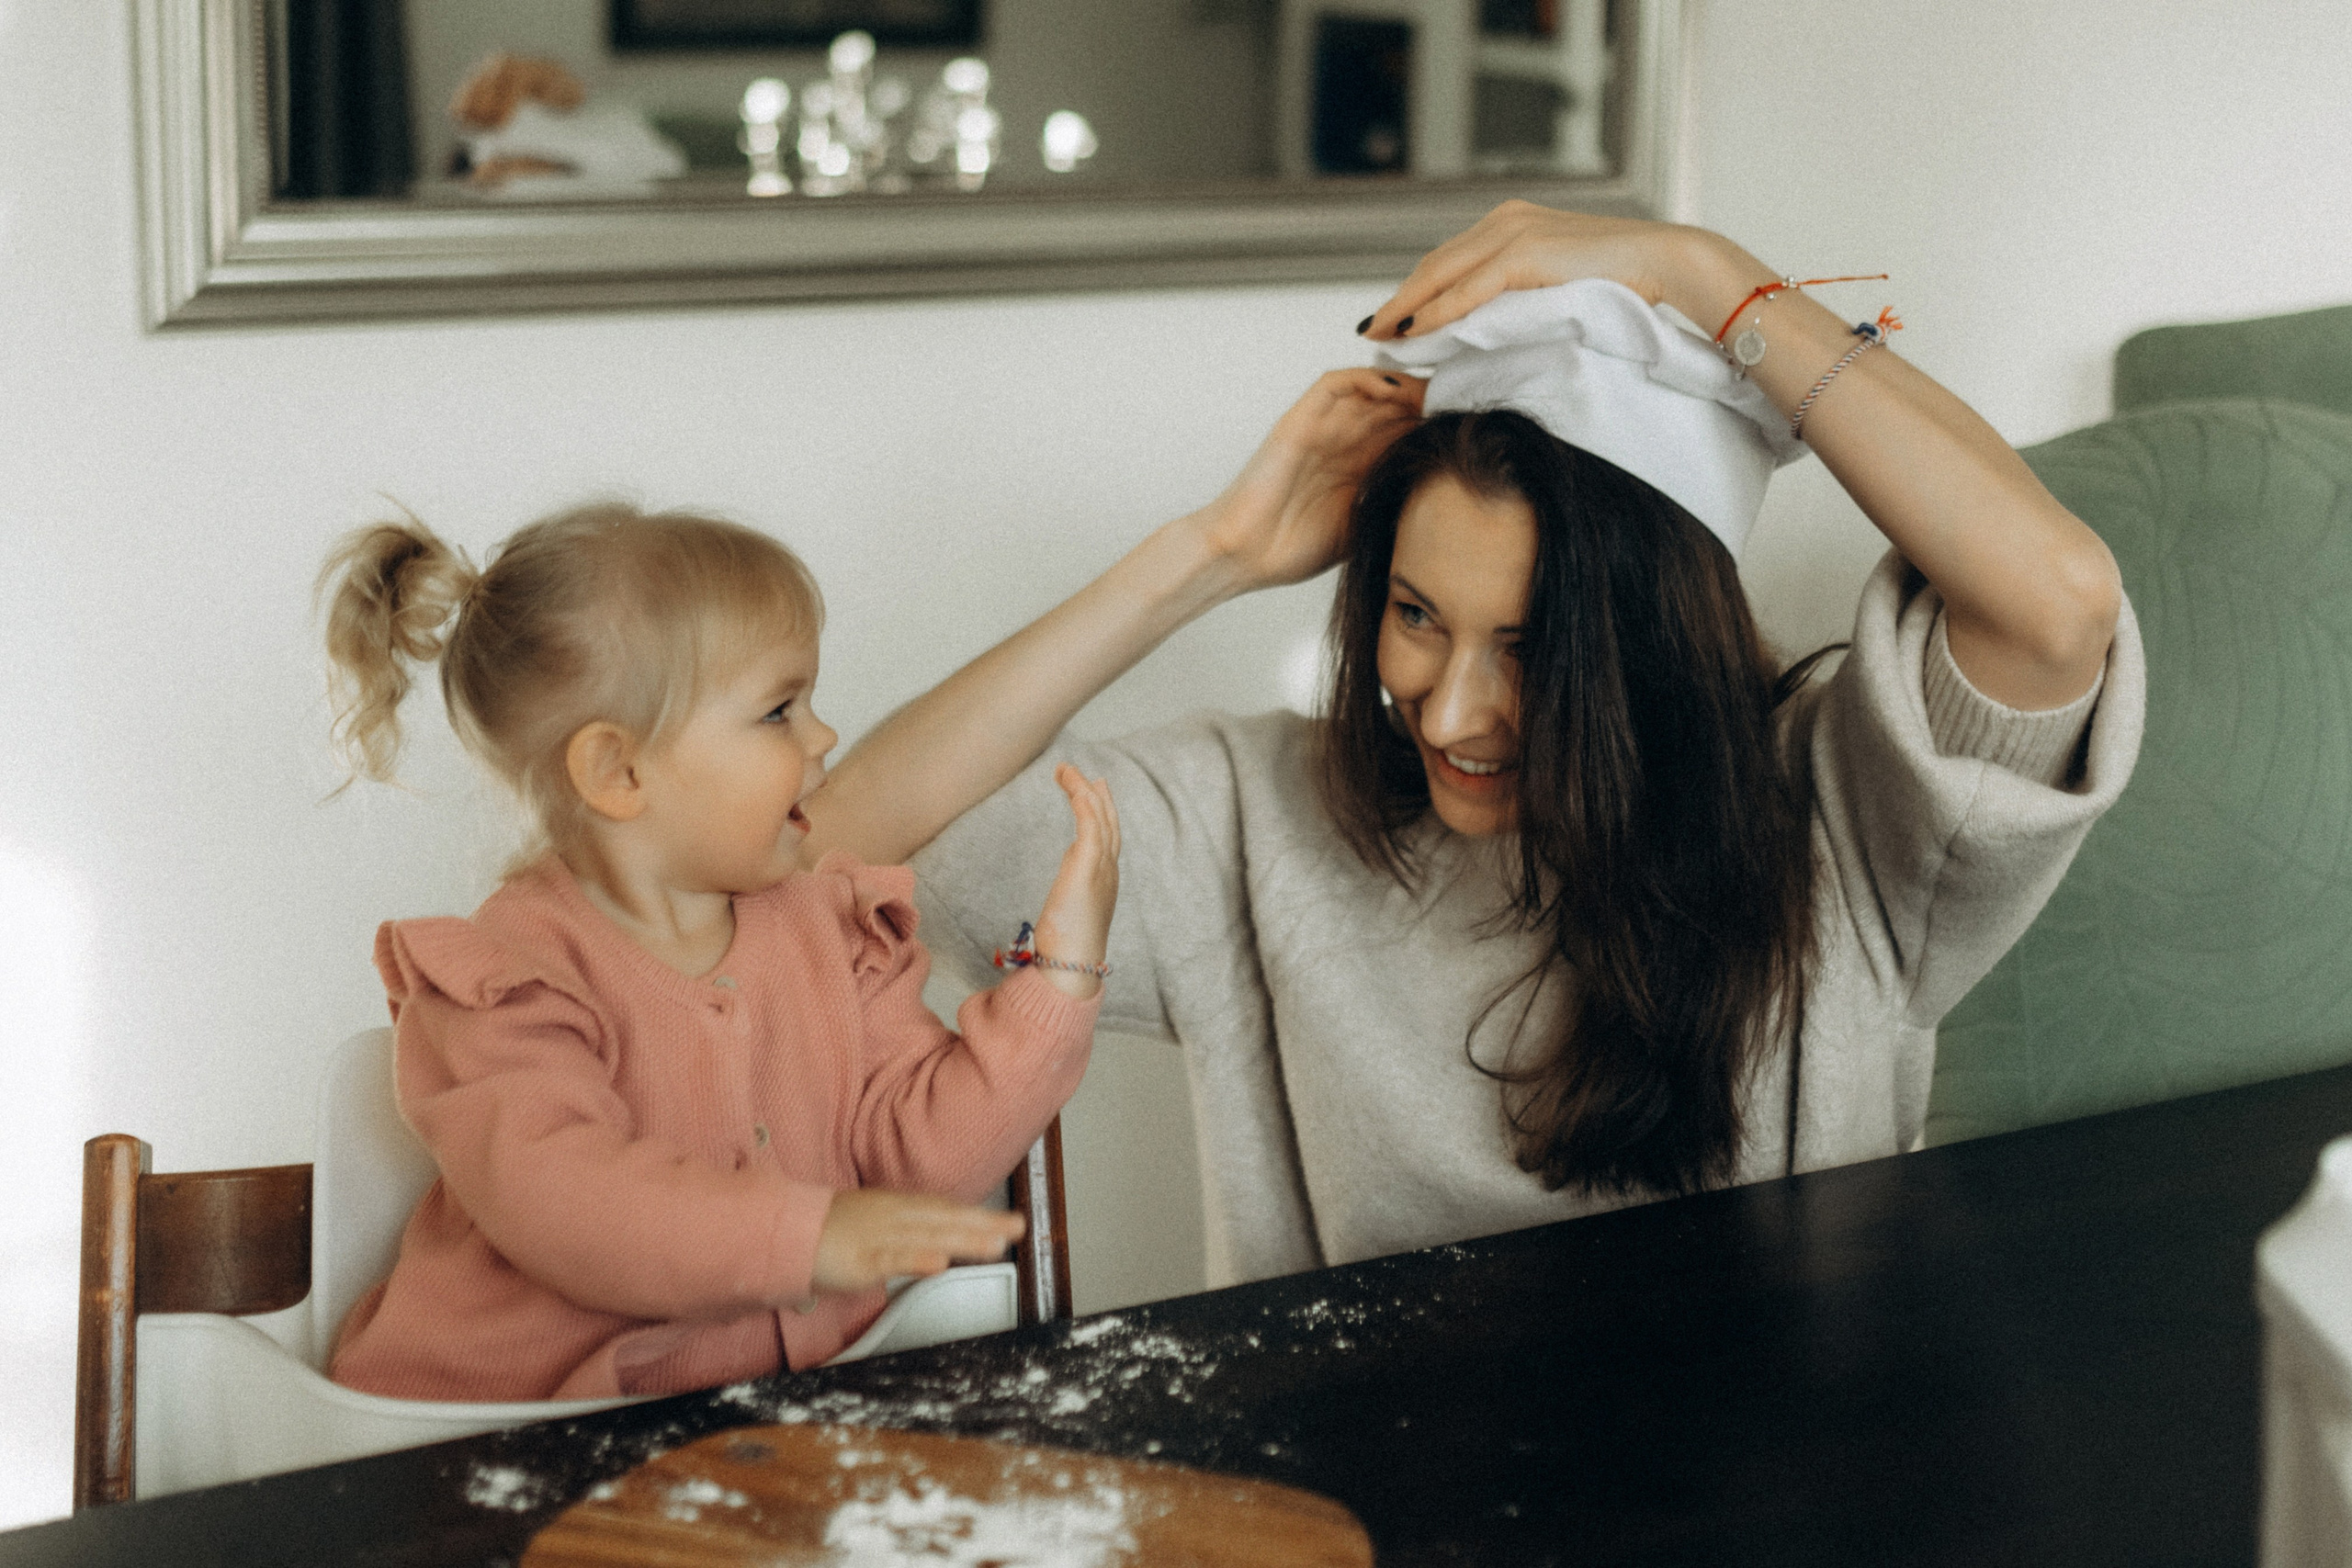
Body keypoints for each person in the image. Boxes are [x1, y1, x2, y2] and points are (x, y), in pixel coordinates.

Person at [798, 203, 2144, 1287]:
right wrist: (1202, 556)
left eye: (1533, 649)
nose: (1447, 711)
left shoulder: (1843, 813)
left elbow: (2058, 600)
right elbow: (845, 845)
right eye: (1414, 616)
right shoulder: (1261, 819)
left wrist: (1697, 268)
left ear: (1653, 653)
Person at [316, 502, 1119, 1401]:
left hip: (753, 1432)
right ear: (620, 773)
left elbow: (918, 1157)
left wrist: (1061, 977)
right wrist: (806, 1239)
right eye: (780, 710)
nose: (823, 738)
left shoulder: (833, 933)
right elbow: (566, 1200)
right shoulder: (506, 979)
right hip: (483, 1438)